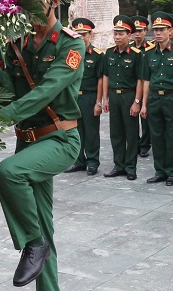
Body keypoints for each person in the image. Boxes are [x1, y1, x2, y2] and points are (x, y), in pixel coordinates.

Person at [0, 0, 84, 291]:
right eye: (24, 3)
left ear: (54, 2)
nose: (30, 11)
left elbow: (47, 91)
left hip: (60, 140)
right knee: (44, 228)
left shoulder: (71, 44)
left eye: (37, 3)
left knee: (8, 172)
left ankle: (32, 243)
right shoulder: (17, 45)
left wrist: (4, 117)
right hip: (28, 141)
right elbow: (5, 87)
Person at [140, 12, 173, 186]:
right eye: (156, 30)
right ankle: (159, 170)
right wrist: (144, 104)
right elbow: (146, 80)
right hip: (154, 98)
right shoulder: (149, 52)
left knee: (172, 137)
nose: (158, 33)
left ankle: (172, 172)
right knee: (157, 136)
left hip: (172, 98)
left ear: (170, 30)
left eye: (162, 29)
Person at [101, 15, 143, 180]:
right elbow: (106, 76)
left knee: (131, 133)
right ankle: (118, 165)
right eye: (115, 33)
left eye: (121, 34)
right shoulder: (109, 53)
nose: (117, 37)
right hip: (114, 95)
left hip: (129, 95)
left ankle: (131, 167)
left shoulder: (136, 54)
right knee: (116, 133)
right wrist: (105, 98)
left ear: (129, 35)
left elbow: (140, 79)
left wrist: (137, 102)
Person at [65, 18, 104, 175]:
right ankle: (78, 161)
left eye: (84, 34)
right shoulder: (72, 54)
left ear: (90, 34)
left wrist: (98, 102)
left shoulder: (97, 55)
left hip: (90, 97)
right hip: (75, 97)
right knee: (76, 130)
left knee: (91, 132)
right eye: (78, 33)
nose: (81, 37)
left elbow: (101, 79)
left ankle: (93, 161)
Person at [132, 16, 152, 158]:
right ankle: (135, 143)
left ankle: (145, 145)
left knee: (145, 118)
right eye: (136, 31)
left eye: (140, 31)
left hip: (146, 87)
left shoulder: (150, 48)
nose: (138, 34)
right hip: (131, 86)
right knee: (131, 118)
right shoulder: (129, 47)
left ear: (145, 31)